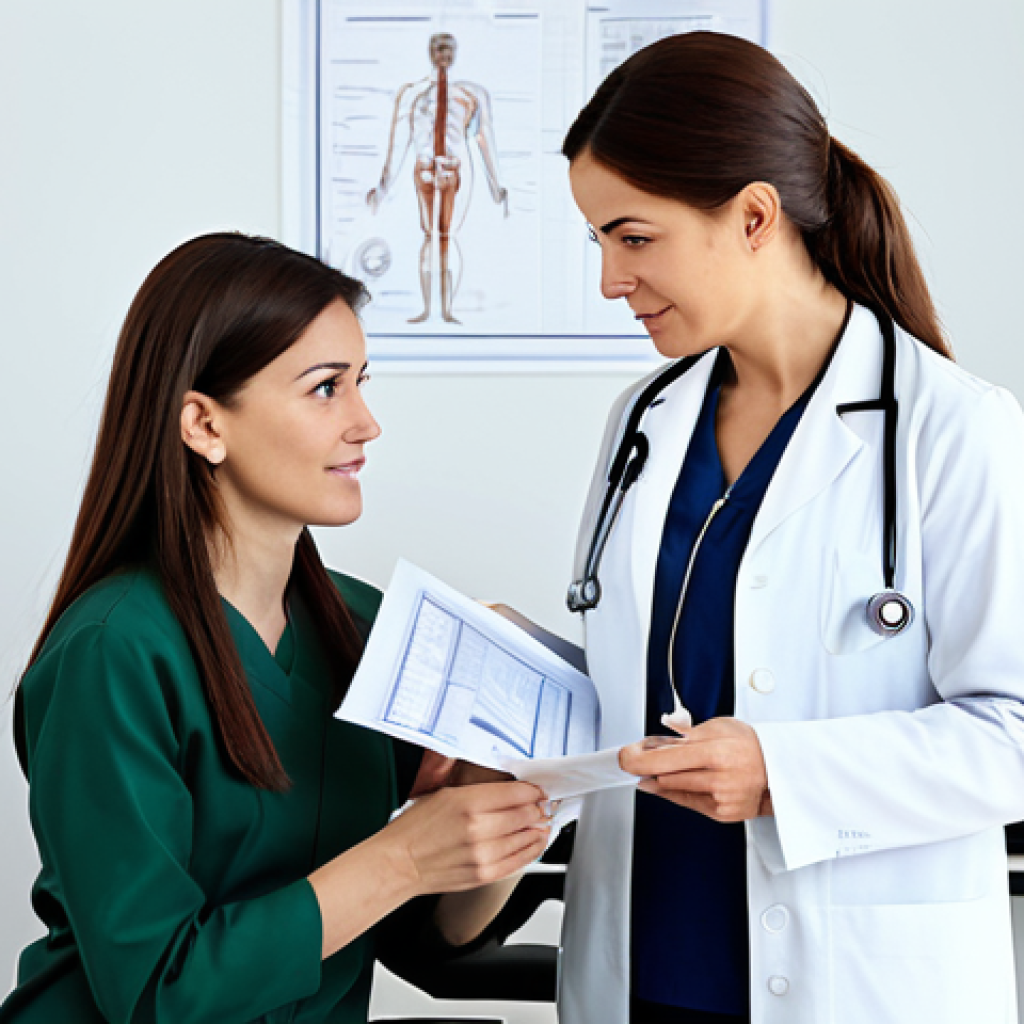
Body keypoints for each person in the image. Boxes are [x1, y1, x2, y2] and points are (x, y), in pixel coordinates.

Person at [558, 31, 1024, 1024]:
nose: (608, 279)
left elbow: (1013, 732)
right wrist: (515, 666)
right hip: (641, 963)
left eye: (632, 238)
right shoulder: (644, 421)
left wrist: (784, 771)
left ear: (754, 216)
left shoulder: (954, 429)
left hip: (855, 982)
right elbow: (648, 676)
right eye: (597, 240)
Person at [0, 233, 550, 1023]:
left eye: (361, 382)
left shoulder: (364, 629)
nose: (366, 424)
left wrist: (501, 767)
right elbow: (156, 993)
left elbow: (429, 939)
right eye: (325, 388)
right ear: (203, 424)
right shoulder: (112, 652)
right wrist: (402, 856)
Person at [366, 32, 509, 324]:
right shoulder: (412, 94)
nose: (443, 54)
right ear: (430, 52)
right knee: (429, 236)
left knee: (447, 237)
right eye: (438, 48)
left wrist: (497, 185)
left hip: (456, 170)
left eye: (448, 48)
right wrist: (383, 185)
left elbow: (484, 138)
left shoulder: (472, 94)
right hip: (425, 169)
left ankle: (446, 310)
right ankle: (427, 308)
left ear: (455, 53)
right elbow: (398, 142)